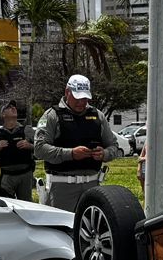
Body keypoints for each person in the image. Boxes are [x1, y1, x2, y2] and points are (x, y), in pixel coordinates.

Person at [35, 73, 119, 212]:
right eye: (77, 97)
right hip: (62, 187)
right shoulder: (52, 115)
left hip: (93, 185)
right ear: (67, 92)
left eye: (85, 98)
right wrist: (71, 154)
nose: (81, 102)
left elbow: (114, 146)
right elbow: (39, 149)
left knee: (90, 230)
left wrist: (104, 153)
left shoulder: (98, 115)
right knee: (61, 230)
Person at [0, 101, 36, 200]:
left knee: (26, 207)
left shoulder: (27, 130)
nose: (13, 108)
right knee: (6, 207)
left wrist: (30, 146)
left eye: (14, 107)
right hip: (7, 176)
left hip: (25, 175)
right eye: (9, 107)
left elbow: (41, 149)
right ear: (3, 114)